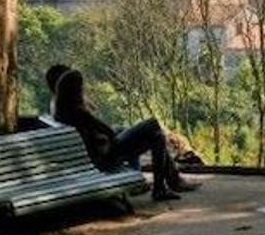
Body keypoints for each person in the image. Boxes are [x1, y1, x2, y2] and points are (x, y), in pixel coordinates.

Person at [47, 64, 196, 202]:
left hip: (97, 156)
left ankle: (163, 187)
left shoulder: (62, 109)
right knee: (152, 124)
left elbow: (95, 133)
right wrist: (108, 136)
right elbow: (108, 132)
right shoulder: (78, 112)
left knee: (157, 137)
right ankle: (167, 184)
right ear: (75, 91)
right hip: (105, 158)